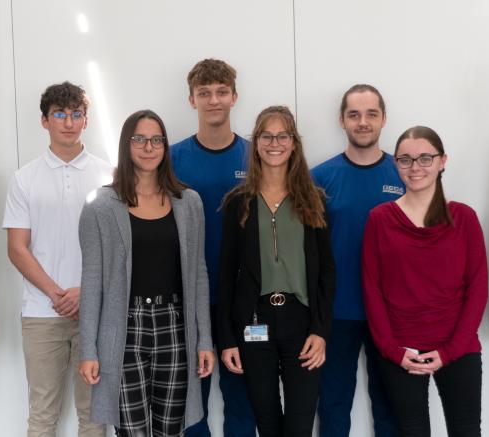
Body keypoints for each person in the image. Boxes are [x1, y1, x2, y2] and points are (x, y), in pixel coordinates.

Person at [78, 110, 216, 437]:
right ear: (126, 145)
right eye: (139, 139)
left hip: (175, 327)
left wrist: (204, 340)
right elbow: (91, 282)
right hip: (124, 328)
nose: (149, 147)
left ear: (165, 146)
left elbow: (199, 275)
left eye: (156, 140)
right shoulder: (100, 205)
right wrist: (89, 350)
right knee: (131, 430)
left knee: (171, 430)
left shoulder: (189, 202)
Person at [362, 126, 487, 437]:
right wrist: (392, 350)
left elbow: (478, 289)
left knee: (467, 431)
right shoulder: (379, 219)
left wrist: (451, 350)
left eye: (425, 158)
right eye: (405, 159)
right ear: (396, 164)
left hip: (458, 346)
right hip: (402, 349)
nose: (415, 167)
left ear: (442, 161)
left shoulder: (464, 217)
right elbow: (372, 289)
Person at [217, 105, 334, 437]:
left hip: (302, 323)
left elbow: (327, 272)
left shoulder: (314, 201)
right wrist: (227, 339)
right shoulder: (238, 203)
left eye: (283, 136)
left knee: (299, 425)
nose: (274, 143)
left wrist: (321, 331)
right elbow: (225, 275)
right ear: (256, 143)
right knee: (267, 423)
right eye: (266, 136)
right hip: (255, 322)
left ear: (294, 143)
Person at [3, 81, 112, 437]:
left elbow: (117, 249)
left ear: (86, 120)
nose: (68, 122)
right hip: (41, 313)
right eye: (59, 114)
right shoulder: (24, 179)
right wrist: (56, 293)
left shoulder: (109, 177)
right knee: (42, 414)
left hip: (96, 311)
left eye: (76, 114)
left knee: (94, 414)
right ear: (44, 121)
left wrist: (85, 292)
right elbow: (17, 248)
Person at [170, 58, 256, 437]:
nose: (214, 100)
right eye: (204, 93)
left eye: (222, 92)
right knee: (192, 405)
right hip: (189, 298)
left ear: (234, 97)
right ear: (192, 100)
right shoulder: (171, 159)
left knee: (243, 400)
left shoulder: (256, 157)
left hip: (244, 299)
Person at [310, 84, 399, 437]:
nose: (363, 122)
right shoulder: (320, 178)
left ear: (383, 119)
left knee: (390, 408)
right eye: (354, 114)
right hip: (336, 313)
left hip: (391, 313)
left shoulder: (403, 174)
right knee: (333, 408)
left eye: (371, 114)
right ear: (342, 120)